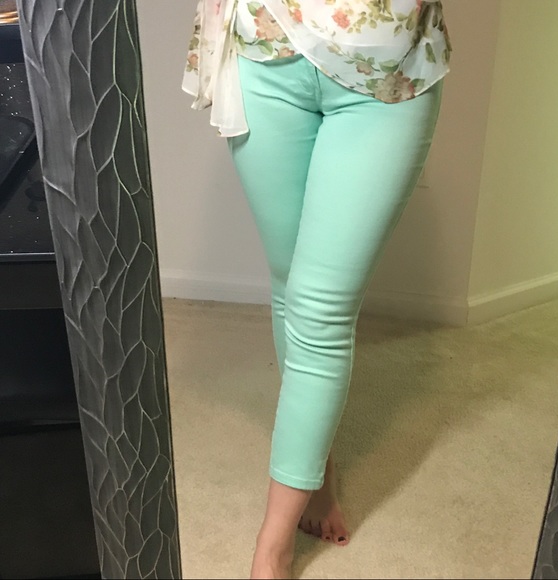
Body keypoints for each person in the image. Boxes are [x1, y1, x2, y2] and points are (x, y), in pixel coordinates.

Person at [182, 1, 452, 577]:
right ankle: (318, 472)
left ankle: (273, 545)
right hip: (263, 49)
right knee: (289, 285)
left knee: (320, 308)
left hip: (387, 66)